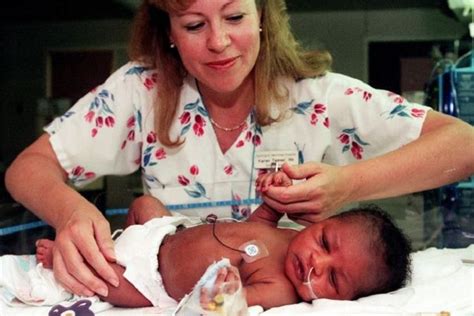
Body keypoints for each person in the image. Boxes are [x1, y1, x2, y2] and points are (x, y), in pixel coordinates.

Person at [4, 0, 474, 298]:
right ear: (167, 30)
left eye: (234, 16)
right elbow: (28, 168)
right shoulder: (141, 92)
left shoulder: (317, 98)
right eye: (193, 24)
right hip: (158, 261)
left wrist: (349, 182)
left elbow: (464, 144)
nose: (219, 42)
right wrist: (70, 212)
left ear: (264, 15)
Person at [34, 195, 411, 310]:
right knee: (144, 203)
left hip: (154, 281)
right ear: (319, 223)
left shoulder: (280, 287)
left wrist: (226, 293)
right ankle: (113, 241)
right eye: (326, 243)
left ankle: (65, 264)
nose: (317, 261)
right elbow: (255, 225)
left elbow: (236, 303)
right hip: (168, 230)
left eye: (332, 278)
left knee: (110, 282)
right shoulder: (289, 234)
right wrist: (273, 201)